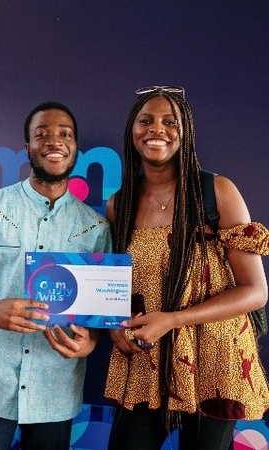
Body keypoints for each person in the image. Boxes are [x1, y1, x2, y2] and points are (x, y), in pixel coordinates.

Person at [104, 86, 269, 449]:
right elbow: (121, 284)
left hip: (215, 359)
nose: (156, 129)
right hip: (149, 361)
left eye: (169, 122)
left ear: (186, 132)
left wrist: (173, 319)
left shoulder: (216, 191)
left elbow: (255, 292)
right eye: (145, 121)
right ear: (131, 131)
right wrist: (115, 322)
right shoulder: (121, 204)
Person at [0, 101, 112, 450]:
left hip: (56, 385)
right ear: (28, 148)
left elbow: (99, 315)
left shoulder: (94, 227)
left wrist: (88, 345)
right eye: (42, 134)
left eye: (65, 134)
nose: (54, 142)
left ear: (76, 148)